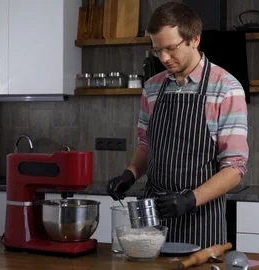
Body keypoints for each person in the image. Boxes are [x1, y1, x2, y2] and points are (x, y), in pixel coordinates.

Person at [106, 2, 249, 249]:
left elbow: (235, 168)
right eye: (157, 50)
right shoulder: (152, 87)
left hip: (200, 219)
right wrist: (130, 174)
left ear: (194, 39)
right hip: (153, 218)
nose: (164, 58)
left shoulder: (226, 88)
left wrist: (189, 200)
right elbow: (146, 144)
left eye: (171, 48)